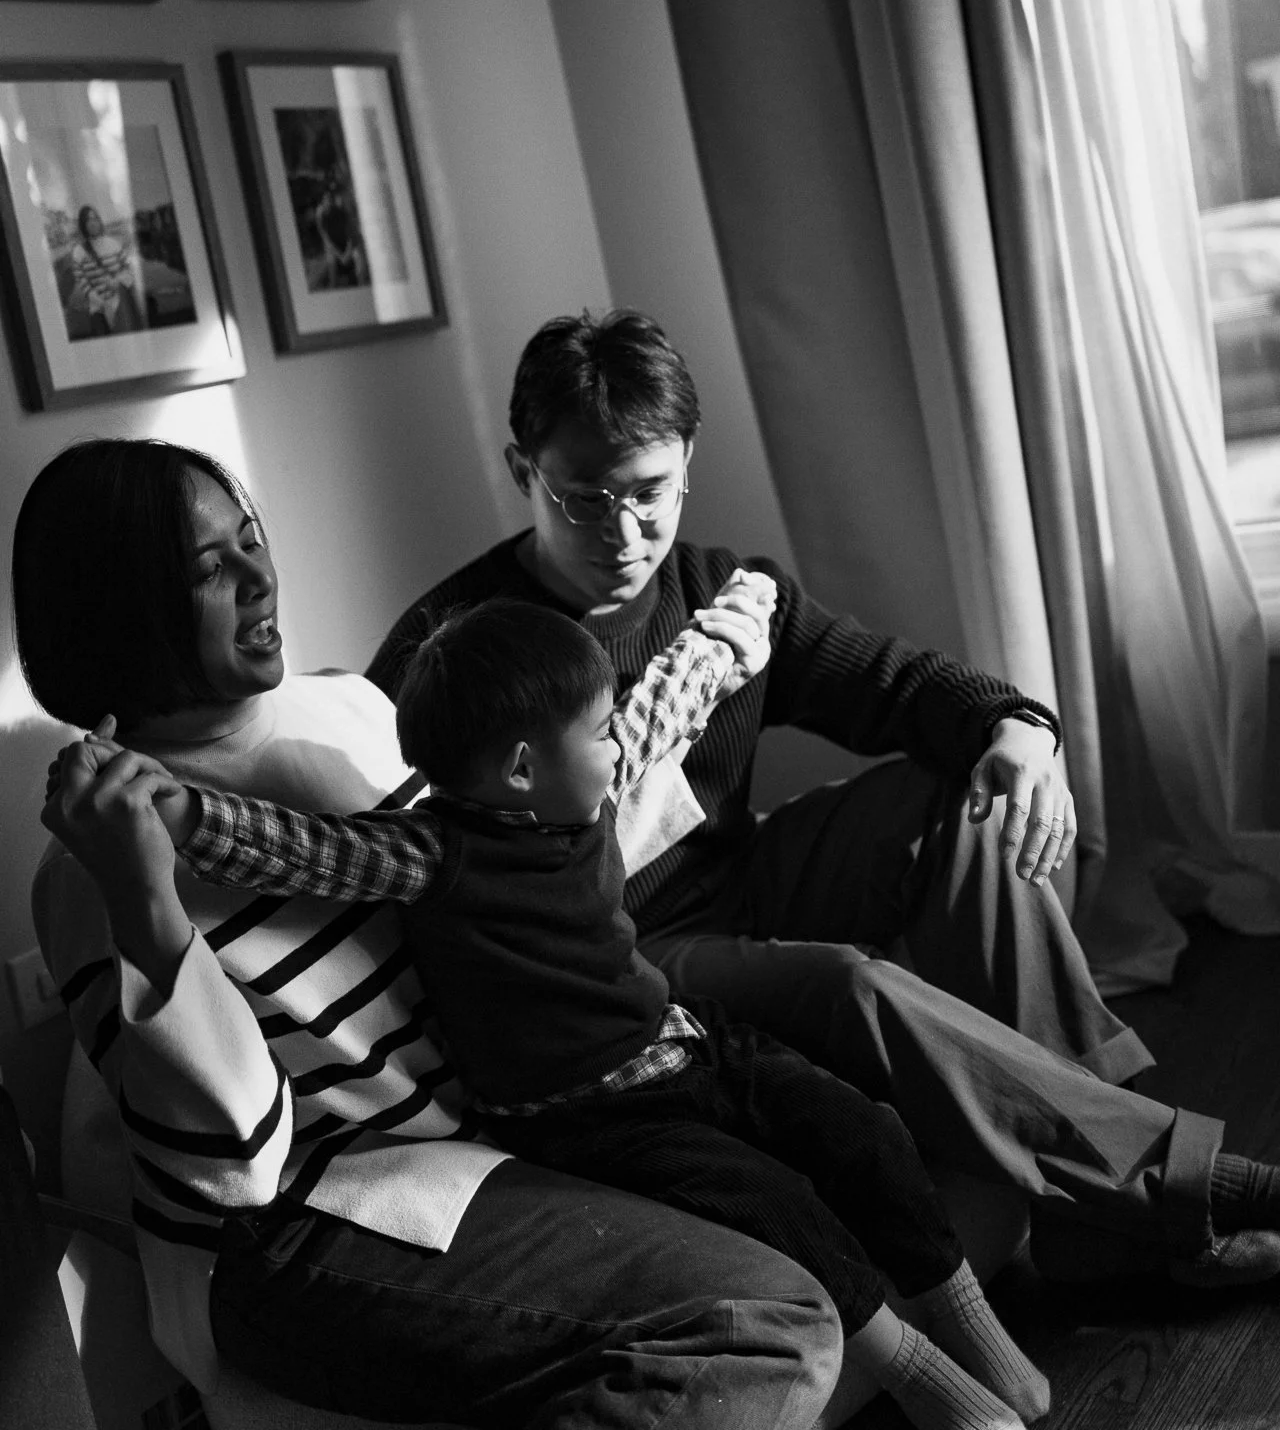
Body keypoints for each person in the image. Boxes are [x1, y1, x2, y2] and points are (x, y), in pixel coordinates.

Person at [368, 308, 1280, 1285]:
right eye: (583, 500)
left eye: (649, 494)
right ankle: (1171, 1189)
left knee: (966, 801)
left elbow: (897, 686)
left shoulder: (723, 597)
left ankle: (1086, 1213)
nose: (624, 534)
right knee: (850, 983)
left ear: (689, 464)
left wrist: (1020, 730)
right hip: (617, 956)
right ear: (522, 472)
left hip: (740, 877)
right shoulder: (455, 653)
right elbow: (418, 868)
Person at [18, 438, 846, 1430]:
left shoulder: (352, 709)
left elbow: (521, 886)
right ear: (122, 610)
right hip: (308, 1224)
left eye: (251, 541)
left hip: (503, 1127)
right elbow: (234, 1162)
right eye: (208, 569)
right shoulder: (94, 860)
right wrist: (145, 899)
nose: (257, 577)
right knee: (772, 1324)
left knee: (825, 1186)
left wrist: (688, 686)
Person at [142, 592, 1051, 1430]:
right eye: (600, 733)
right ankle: (928, 1381)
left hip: (684, 1043)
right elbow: (305, 851)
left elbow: (666, 704)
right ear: (524, 768)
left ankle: (977, 1330)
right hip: (591, 1117)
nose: (620, 746)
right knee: (778, 1203)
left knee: (859, 1128)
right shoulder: (435, 854)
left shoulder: (587, 792)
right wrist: (183, 814)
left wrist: (742, 611)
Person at [65, 204, 143, 337]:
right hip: (98, 310)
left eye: (95, 218)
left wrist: (117, 281)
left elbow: (128, 269)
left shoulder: (113, 244)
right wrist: (102, 304)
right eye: (88, 220)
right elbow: (83, 283)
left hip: (120, 304)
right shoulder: (79, 252)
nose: (93, 223)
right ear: (83, 225)